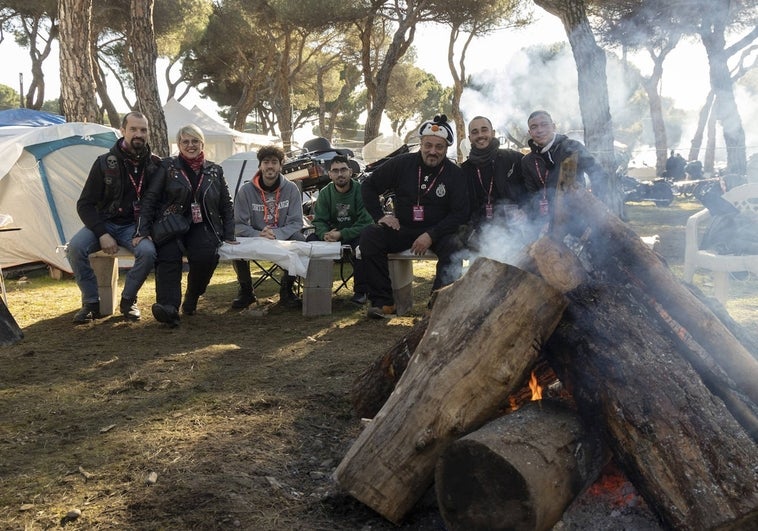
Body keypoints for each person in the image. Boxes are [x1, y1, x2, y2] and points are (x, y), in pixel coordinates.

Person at [359, 114, 470, 318]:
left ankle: (438, 304)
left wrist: (431, 235)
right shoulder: (401, 163)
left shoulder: (455, 174)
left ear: (446, 149)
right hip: (403, 228)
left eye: (439, 147)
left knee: (455, 245)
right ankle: (383, 302)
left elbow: (460, 213)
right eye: (428, 145)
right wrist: (379, 216)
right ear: (420, 143)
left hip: (439, 231)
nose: (433, 151)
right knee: (370, 236)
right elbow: (369, 186)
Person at [135, 124, 236, 326]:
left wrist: (229, 234)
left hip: (202, 227)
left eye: (195, 141)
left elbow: (226, 204)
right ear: (179, 144)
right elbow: (150, 199)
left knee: (206, 257)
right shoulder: (167, 166)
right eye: (185, 141)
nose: (190, 145)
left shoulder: (215, 170)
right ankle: (168, 308)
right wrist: (142, 230)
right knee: (168, 257)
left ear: (202, 144)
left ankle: (192, 295)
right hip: (171, 225)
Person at [66, 111, 160, 324]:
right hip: (104, 223)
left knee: (147, 252)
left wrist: (147, 230)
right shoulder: (104, 163)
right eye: (133, 129)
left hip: (135, 227)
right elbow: (84, 204)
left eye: (143, 130)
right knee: (75, 248)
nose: (138, 134)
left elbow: (161, 203)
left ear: (148, 133)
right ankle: (91, 303)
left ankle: (128, 301)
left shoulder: (155, 165)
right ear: (123, 131)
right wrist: (102, 233)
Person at [231, 145, 305, 309]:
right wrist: (258, 234)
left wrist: (276, 233)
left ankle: (287, 290)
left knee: (300, 239)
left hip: (282, 238)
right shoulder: (246, 191)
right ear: (260, 165)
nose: (270, 166)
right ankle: (246, 291)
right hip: (257, 236)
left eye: (274, 162)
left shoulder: (291, 189)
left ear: (280, 165)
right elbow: (238, 225)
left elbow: (297, 222)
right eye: (266, 162)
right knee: (234, 241)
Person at [306, 154, 373, 305]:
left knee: (364, 242)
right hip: (331, 235)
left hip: (355, 234)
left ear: (350, 171)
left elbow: (366, 222)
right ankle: (316, 290)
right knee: (310, 241)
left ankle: (361, 291)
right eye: (335, 171)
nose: (340, 174)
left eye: (343, 170)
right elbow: (319, 221)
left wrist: (341, 234)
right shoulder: (324, 193)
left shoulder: (361, 190)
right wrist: (324, 235)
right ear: (329, 174)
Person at [521, 110, 607, 224]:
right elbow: (533, 196)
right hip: (547, 220)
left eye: (544, 124)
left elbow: (597, 173)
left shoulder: (572, 147)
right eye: (534, 127)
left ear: (553, 126)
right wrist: (539, 220)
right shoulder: (527, 161)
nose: (540, 130)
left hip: (577, 218)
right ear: (530, 132)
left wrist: (595, 205)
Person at [461, 116, 527, 247]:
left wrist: (525, 210)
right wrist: (470, 233)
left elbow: (532, 191)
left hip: (515, 232)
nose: (480, 135)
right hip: (480, 236)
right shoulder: (464, 170)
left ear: (493, 133)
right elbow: (462, 208)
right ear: (470, 139)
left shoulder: (515, 159)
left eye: (484, 130)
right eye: (475, 132)